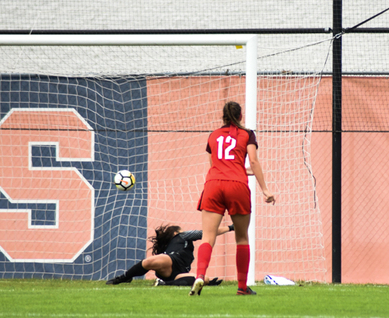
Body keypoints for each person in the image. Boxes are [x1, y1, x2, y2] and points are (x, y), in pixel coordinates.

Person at [190, 101, 275, 297]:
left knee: (207, 237)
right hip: (237, 185)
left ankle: (200, 276)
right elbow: (253, 161)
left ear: (223, 116)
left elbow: (215, 164)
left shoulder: (213, 135)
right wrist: (265, 190)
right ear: (240, 116)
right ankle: (242, 287)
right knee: (242, 237)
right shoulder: (248, 134)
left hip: (213, 185)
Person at [106, 223, 233, 286]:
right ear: (175, 233)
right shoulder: (182, 236)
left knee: (204, 279)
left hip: (179, 273)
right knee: (148, 262)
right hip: (171, 261)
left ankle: (164, 284)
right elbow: (207, 232)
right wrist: (231, 227)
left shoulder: (180, 240)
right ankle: (124, 277)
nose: (183, 231)